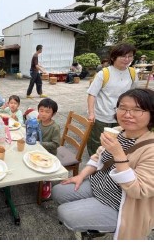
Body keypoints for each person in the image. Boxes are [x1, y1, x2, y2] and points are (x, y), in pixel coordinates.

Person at [52, 88, 154, 240]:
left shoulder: (150, 148)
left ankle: (101, 228)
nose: (127, 114)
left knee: (65, 212)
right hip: (98, 183)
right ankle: (93, 222)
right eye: (123, 108)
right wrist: (81, 176)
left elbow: (139, 190)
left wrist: (118, 153)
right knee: (58, 191)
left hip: (121, 204)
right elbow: (97, 156)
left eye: (137, 109)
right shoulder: (118, 131)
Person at [87, 43, 138, 156]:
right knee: (97, 139)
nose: (127, 59)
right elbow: (92, 94)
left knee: (116, 139)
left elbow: (133, 94)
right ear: (114, 57)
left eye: (130, 56)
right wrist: (91, 113)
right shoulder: (104, 73)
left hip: (121, 114)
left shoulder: (133, 73)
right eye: (123, 56)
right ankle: (94, 161)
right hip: (101, 114)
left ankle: (108, 159)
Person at [37, 98, 61, 199]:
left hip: (49, 154)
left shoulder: (55, 127)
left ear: (53, 114)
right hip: (38, 149)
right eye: (41, 110)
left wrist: (40, 144)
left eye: (47, 112)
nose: (43, 114)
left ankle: (47, 181)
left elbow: (56, 144)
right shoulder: (38, 122)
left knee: (43, 166)